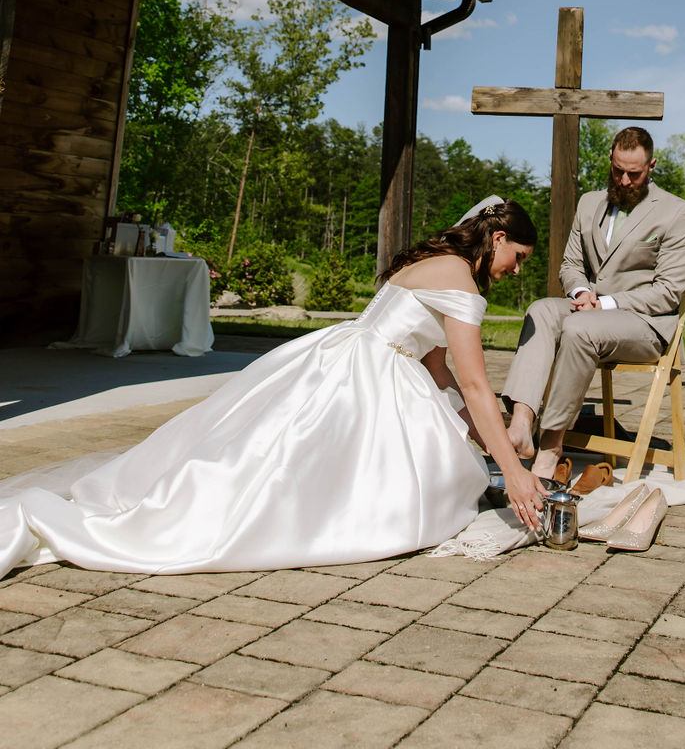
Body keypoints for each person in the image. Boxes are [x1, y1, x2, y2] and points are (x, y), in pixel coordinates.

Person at [0, 201, 547, 579]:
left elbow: (439, 369)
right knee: (301, 476)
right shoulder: (460, 281)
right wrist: (516, 472)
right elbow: (475, 383)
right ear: (497, 238)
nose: (517, 270)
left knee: (268, 456)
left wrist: (484, 438)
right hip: (370, 377)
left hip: (347, 356)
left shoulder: (438, 262)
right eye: (518, 257)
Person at [503, 127, 685, 481]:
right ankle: (521, 424)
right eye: (618, 171)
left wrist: (605, 303)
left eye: (634, 174)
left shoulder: (677, 213)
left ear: (651, 166)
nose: (624, 181)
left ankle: (550, 446)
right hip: (591, 310)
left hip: (646, 323)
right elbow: (571, 265)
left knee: (579, 329)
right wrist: (580, 292)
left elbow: (670, 291)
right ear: (610, 160)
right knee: (541, 310)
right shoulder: (590, 202)